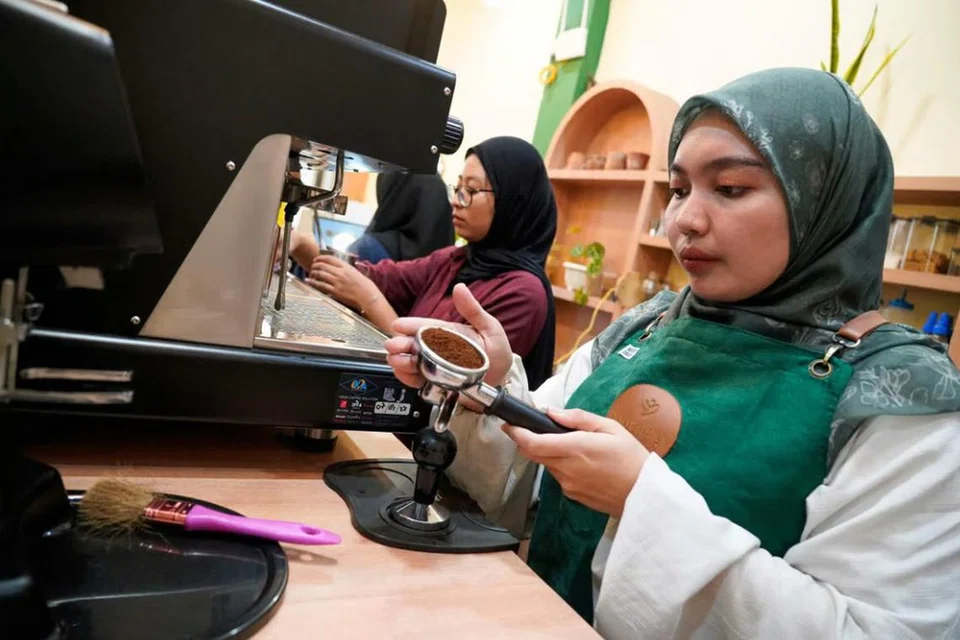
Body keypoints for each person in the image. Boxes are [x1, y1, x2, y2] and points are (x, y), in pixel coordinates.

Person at [382, 68, 960, 639]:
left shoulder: (901, 397)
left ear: (826, 201)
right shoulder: (649, 325)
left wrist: (641, 501)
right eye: (679, 188)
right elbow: (529, 477)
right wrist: (491, 392)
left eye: (730, 188)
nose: (683, 219)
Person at [308, 136, 558, 389]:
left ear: (513, 200)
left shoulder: (524, 293)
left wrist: (369, 299)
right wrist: (297, 243)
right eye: (458, 188)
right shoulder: (455, 260)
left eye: (470, 191)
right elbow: (379, 277)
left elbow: (451, 381)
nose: (456, 200)